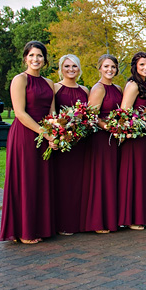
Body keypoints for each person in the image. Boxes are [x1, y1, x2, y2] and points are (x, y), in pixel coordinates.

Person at [0, 41, 56, 244]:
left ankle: (40, 227)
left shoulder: (49, 83)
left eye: (39, 55)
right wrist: (45, 134)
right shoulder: (20, 79)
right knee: (26, 180)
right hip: (24, 135)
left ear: (45, 59)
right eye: (32, 55)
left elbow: (52, 113)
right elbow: (20, 113)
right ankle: (24, 231)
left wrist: (55, 133)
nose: (35, 59)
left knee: (41, 181)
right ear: (25, 58)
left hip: (45, 134)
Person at [80, 54, 123, 234]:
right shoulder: (98, 89)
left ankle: (112, 219)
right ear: (99, 68)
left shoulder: (118, 88)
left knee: (113, 177)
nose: (109, 70)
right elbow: (92, 116)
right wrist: (109, 127)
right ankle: (99, 221)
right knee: (102, 177)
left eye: (113, 67)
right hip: (101, 138)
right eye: (106, 67)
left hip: (116, 138)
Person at [117, 51, 146, 230]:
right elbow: (125, 113)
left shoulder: (144, 84)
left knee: (142, 176)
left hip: (144, 136)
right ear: (135, 66)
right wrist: (142, 121)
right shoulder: (133, 85)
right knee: (134, 176)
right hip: (135, 137)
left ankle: (139, 215)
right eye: (142, 65)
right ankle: (131, 217)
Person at [52, 54, 89, 236]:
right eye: (67, 66)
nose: (71, 69)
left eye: (74, 66)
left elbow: (89, 114)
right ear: (61, 68)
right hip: (64, 142)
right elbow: (51, 114)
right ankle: (62, 223)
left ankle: (79, 222)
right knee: (63, 183)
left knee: (80, 183)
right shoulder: (55, 87)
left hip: (81, 142)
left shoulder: (85, 90)